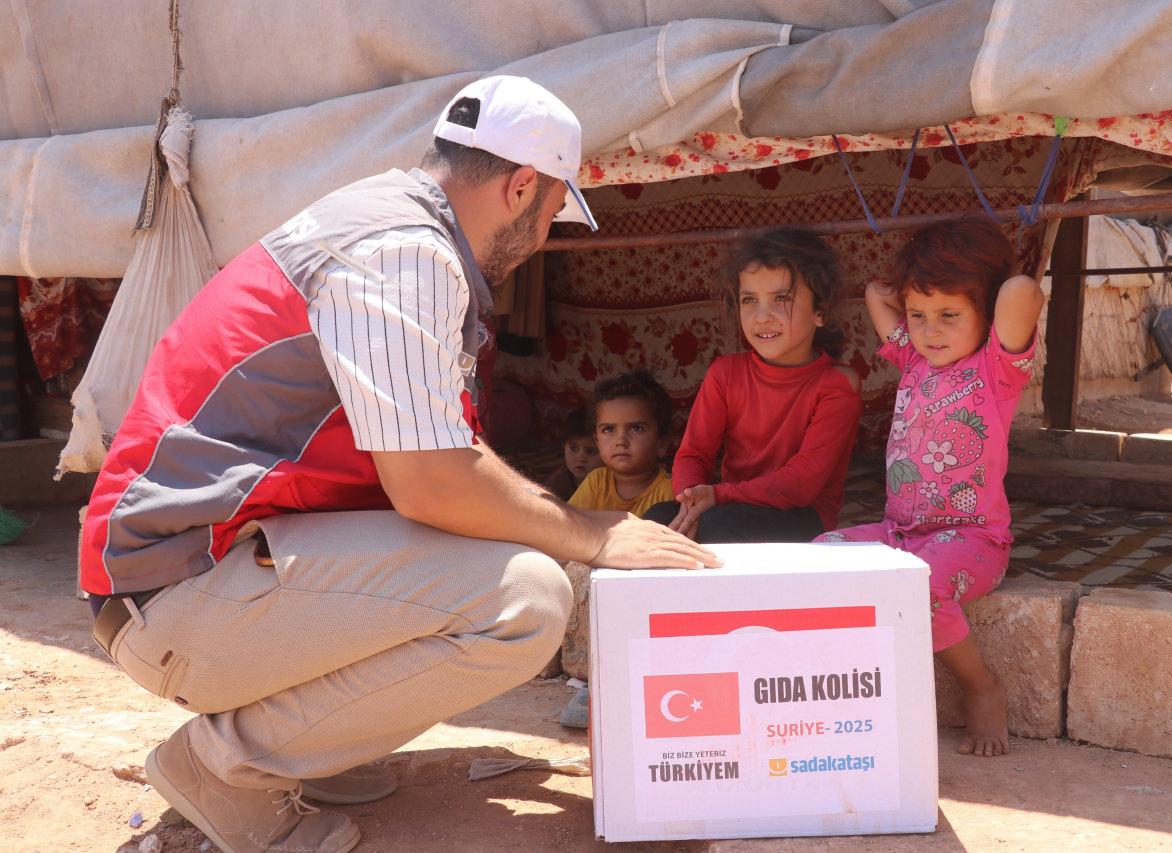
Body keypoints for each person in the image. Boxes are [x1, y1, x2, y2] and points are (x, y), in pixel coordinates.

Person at [78, 76, 717, 853]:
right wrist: (593, 534)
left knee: (506, 549)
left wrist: (569, 529)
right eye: (552, 212)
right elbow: (431, 482)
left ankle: (306, 749)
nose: (544, 238)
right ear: (521, 187)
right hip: (177, 590)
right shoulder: (404, 254)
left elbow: (443, 458)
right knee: (525, 599)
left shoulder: (392, 226)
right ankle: (224, 765)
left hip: (188, 570)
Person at [817, 216, 1044, 759]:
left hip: (972, 539)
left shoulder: (997, 367)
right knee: (818, 556)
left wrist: (993, 281)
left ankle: (980, 686)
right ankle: (852, 689)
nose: (929, 330)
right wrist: (917, 276)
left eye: (949, 315)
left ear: (985, 314)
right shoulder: (913, 358)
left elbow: (1022, 291)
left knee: (921, 587)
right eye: (917, 315)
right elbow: (877, 292)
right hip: (899, 534)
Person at [645, 227, 862, 543]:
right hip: (729, 506)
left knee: (720, 526)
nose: (762, 316)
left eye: (780, 298)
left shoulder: (838, 385)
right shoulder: (725, 374)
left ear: (820, 311)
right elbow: (693, 455)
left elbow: (801, 484)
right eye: (749, 300)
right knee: (655, 522)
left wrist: (718, 496)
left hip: (802, 514)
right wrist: (690, 502)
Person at [569, 370, 675, 517]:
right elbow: (570, 522)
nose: (620, 441)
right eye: (608, 429)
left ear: (661, 443)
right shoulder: (596, 482)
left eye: (636, 428)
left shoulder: (670, 492)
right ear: (597, 442)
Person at [543, 407, 602, 501]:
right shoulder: (556, 484)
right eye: (573, 449)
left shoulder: (613, 481)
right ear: (564, 446)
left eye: (591, 451)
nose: (580, 458)